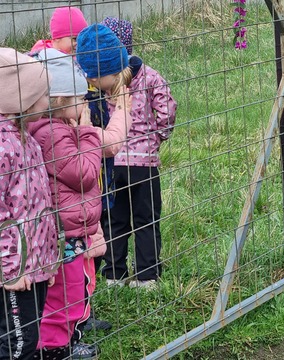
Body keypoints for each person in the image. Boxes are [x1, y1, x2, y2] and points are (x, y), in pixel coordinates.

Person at [77, 23, 177, 289]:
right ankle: (147, 275)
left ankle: (114, 274)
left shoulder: (95, 83)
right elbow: (167, 110)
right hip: (144, 164)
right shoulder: (150, 76)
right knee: (146, 219)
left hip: (111, 163)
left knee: (114, 219)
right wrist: (157, 138)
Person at [28, 48, 103, 360]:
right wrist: (87, 131)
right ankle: (56, 348)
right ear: (59, 100)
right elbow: (84, 173)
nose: (84, 103)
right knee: (63, 293)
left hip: (70, 227)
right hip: (64, 232)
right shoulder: (53, 134)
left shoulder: (57, 129)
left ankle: (67, 340)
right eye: (78, 97)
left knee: (75, 287)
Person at [73, 23, 134, 332]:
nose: (121, 78)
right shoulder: (78, 104)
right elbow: (109, 144)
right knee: (82, 257)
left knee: (92, 253)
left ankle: (82, 314)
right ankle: (74, 322)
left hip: (95, 188)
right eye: (117, 72)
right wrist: (123, 107)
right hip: (80, 193)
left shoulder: (92, 93)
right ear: (97, 75)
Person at [0, 47, 60, 360]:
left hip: (33, 261)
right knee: (19, 344)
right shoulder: (4, 146)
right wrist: (10, 268)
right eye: (43, 95)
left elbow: (38, 202)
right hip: (13, 269)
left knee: (29, 333)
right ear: (20, 100)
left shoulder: (26, 139)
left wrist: (46, 259)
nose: (49, 101)